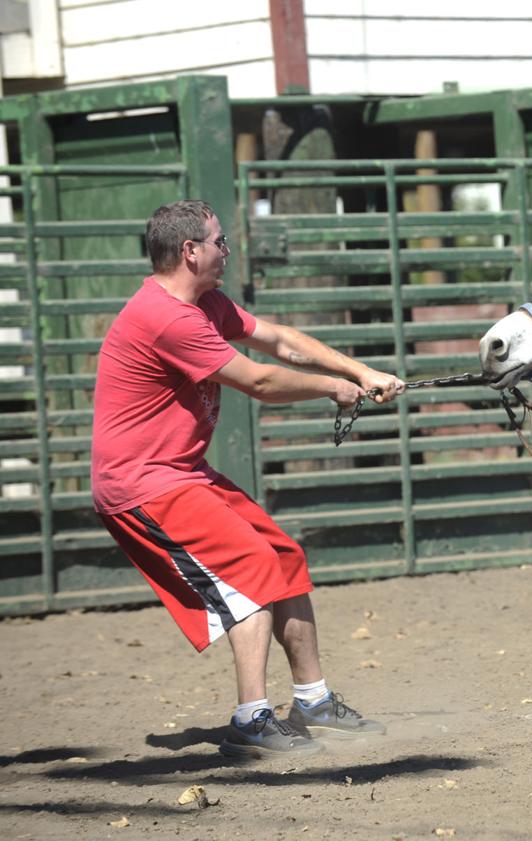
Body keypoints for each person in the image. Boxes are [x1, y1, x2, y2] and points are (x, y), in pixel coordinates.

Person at [91, 200, 406, 758]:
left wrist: (358, 371)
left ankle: (312, 701)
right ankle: (251, 718)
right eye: (219, 243)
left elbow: (279, 340)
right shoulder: (165, 317)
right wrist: (330, 387)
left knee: (284, 557)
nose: (226, 253)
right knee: (252, 568)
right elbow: (259, 380)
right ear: (190, 251)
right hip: (142, 485)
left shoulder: (205, 303)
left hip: (182, 473)